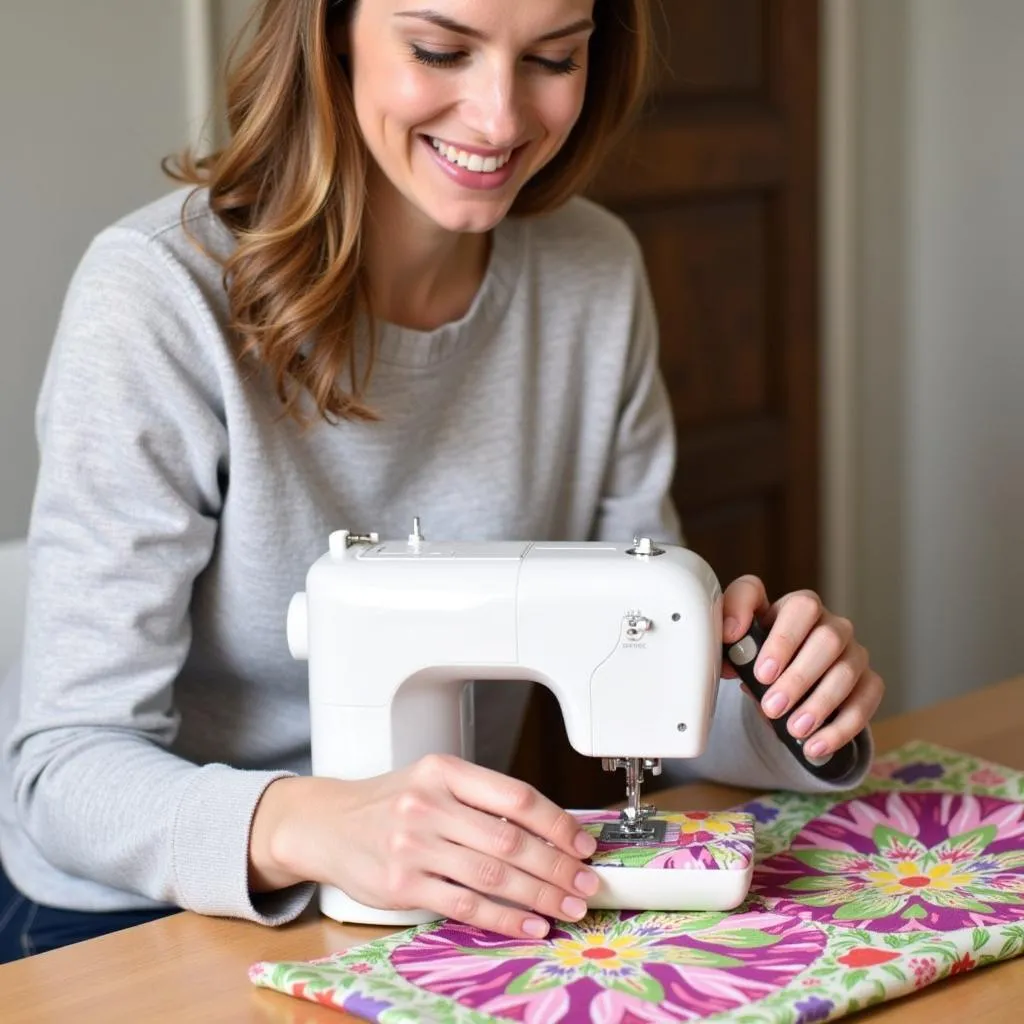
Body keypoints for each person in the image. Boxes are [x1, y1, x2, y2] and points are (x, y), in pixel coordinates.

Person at [0, 0, 884, 962]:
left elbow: (644, 682)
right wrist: (316, 824)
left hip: (434, 913)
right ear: (331, 32)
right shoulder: (161, 299)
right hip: (140, 920)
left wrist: (779, 706)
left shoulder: (593, 276)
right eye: (439, 49)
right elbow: (61, 772)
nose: (501, 118)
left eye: (554, 57)